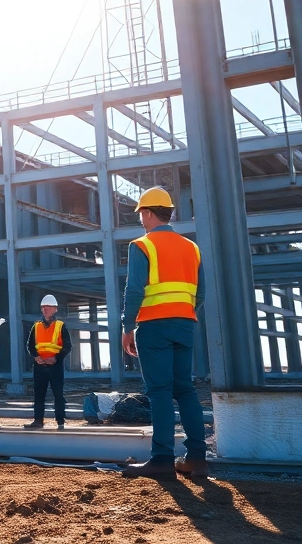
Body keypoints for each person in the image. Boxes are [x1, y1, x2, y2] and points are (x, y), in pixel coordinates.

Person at [119, 187, 207, 479]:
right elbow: (201, 292)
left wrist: (127, 326)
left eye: (141, 214)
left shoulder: (142, 245)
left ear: (146, 213)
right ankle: (196, 458)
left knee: (159, 393)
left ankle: (162, 460)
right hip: (185, 324)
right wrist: (182, 310)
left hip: (154, 327)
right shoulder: (191, 247)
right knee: (185, 389)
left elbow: (134, 290)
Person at [23, 294, 72, 430]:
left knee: (58, 394)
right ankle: (38, 421)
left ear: (55, 309)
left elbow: (67, 346)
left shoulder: (60, 326)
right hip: (39, 366)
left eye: (48, 307)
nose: (45, 309)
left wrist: (56, 358)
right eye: (43, 307)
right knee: (39, 394)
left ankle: (60, 421)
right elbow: (30, 345)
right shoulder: (36, 326)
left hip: (55, 366)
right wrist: (35, 356)